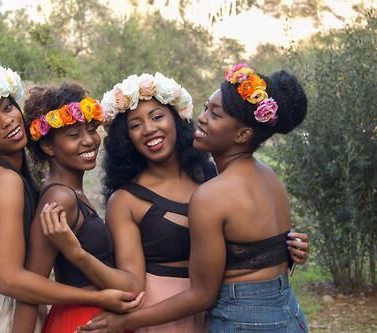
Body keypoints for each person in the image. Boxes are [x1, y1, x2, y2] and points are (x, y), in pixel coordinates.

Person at [42, 72, 310, 332]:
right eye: (135, 125)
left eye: (158, 116)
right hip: (162, 314)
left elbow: (241, 247)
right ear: (126, 138)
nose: (148, 129)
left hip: (219, 312)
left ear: (175, 119)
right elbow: (132, 282)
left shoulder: (212, 182)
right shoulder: (126, 200)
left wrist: (284, 247)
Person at [0, 68, 142, 333]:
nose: (8, 121)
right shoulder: (5, 181)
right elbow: (11, 281)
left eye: (8, 107)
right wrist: (97, 297)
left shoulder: (16, 179)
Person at [11, 83, 144, 333]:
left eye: (92, 130)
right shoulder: (60, 198)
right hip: (79, 322)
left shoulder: (73, 193)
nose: (89, 141)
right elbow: (31, 289)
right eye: (74, 135)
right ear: (48, 147)